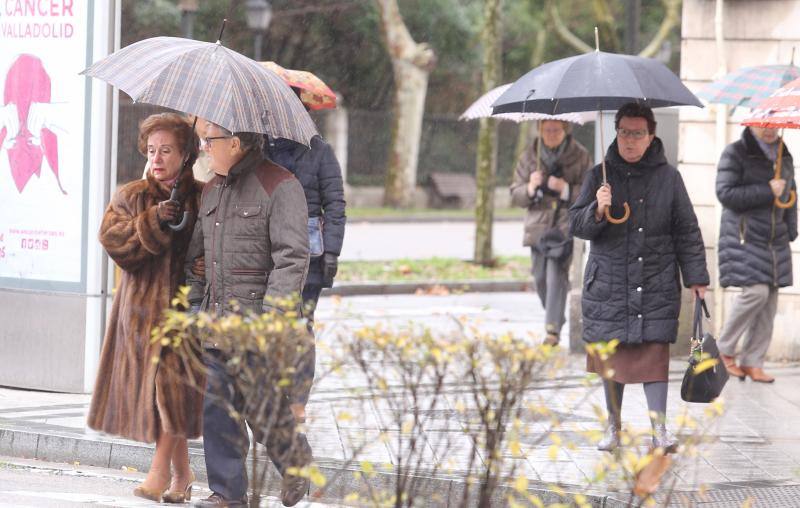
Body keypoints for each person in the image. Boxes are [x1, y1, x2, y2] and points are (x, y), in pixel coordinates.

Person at [569, 103, 709, 453]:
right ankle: (613, 428)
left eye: (638, 134)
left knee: (653, 356)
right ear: (616, 133)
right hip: (609, 283)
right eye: (624, 133)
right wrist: (596, 209)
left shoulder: (669, 178)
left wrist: (697, 277)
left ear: (651, 136)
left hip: (656, 279)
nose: (630, 141)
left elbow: (687, 230)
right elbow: (576, 225)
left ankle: (659, 431)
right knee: (613, 359)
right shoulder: (598, 175)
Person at [187, 120, 313, 507]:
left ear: (236, 142)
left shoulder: (280, 184)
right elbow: (198, 258)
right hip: (215, 323)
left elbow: (292, 257)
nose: (205, 148)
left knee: (263, 409)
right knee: (218, 409)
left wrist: (272, 315)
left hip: (257, 322)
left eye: (210, 141)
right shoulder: (211, 190)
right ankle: (227, 493)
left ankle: (295, 464)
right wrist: (193, 307)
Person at [87, 113, 204, 503]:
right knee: (161, 400)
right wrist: (152, 221)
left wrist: (200, 262)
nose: (157, 158)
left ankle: (157, 475)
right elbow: (113, 241)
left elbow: (211, 250)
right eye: (152, 150)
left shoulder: (203, 197)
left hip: (183, 315)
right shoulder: (132, 195)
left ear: (186, 154)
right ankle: (183, 475)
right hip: (138, 318)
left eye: (167, 150)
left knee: (173, 390)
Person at [264, 133, 346, 418]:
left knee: (300, 328)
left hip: (311, 256)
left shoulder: (320, 150)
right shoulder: (258, 147)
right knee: (270, 326)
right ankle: (273, 394)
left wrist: (332, 251)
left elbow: (335, 204)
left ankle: (297, 400)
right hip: (268, 253)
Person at [716, 126, 797, 383]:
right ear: (752, 123)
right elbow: (725, 193)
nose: (770, 129)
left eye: (774, 124)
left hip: (775, 239)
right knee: (756, 292)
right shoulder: (736, 153)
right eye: (764, 124)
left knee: (770, 299)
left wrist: (792, 228)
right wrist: (766, 190)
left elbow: (792, 194)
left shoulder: (784, 154)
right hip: (745, 236)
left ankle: (753, 361)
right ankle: (723, 350)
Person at [510, 120, 592, 346]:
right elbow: (515, 194)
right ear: (539, 130)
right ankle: (556, 316)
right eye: (547, 130)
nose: (552, 134)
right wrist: (529, 187)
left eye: (557, 130)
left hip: (565, 224)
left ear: (565, 130)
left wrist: (564, 189)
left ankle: (552, 330)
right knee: (540, 278)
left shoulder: (580, 155)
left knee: (556, 275)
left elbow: (590, 191)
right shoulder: (529, 156)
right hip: (537, 225)